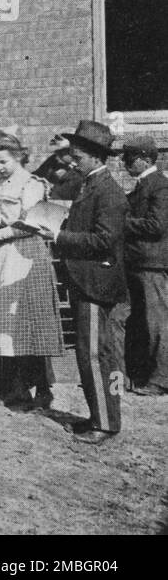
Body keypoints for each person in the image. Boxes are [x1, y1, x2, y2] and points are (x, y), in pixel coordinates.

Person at [42, 121, 131, 444]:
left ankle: (106, 423)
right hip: (87, 279)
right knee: (88, 352)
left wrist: (58, 235)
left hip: (96, 282)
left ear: (95, 157)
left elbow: (104, 240)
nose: (72, 161)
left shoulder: (108, 192)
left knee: (95, 355)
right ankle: (98, 416)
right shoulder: (91, 185)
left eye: (77, 156)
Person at [0, 134, 64, 410]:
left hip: (26, 258)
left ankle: (42, 388)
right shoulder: (1, 185)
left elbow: (32, 222)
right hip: (3, 257)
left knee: (29, 320)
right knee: (5, 320)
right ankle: (16, 386)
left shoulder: (32, 184)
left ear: (19, 157)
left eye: (3, 161)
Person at [121, 134, 168, 396]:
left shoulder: (159, 186)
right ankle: (139, 374)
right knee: (140, 322)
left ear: (145, 159)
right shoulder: (143, 186)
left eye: (129, 159)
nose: (126, 163)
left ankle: (161, 379)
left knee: (156, 322)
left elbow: (156, 226)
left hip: (152, 264)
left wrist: (121, 223)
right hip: (137, 262)